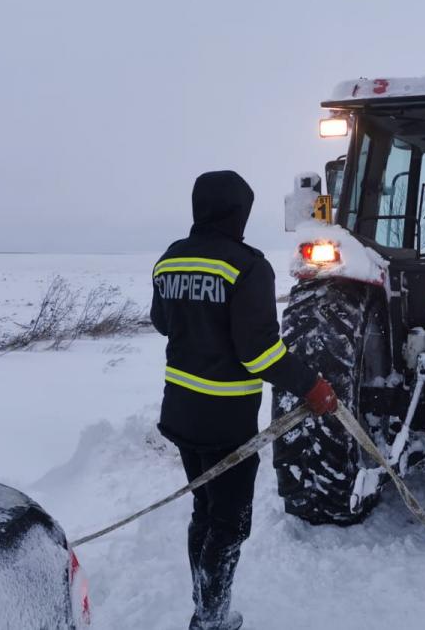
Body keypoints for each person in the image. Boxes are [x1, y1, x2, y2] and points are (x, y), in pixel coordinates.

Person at [150, 170, 339, 630]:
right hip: (226, 421)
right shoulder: (247, 265)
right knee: (230, 524)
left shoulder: (170, 259)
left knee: (204, 512)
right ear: (240, 212)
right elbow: (260, 353)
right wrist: (311, 385)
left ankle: (204, 607)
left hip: (180, 413)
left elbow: (162, 323)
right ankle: (212, 620)